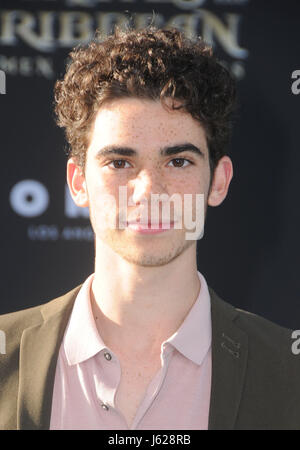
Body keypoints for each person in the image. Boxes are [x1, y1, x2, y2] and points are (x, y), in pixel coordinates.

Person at [0, 25, 299, 431]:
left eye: (178, 161)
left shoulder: (287, 371)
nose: (149, 191)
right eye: (120, 162)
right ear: (78, 183)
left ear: (218, 181)